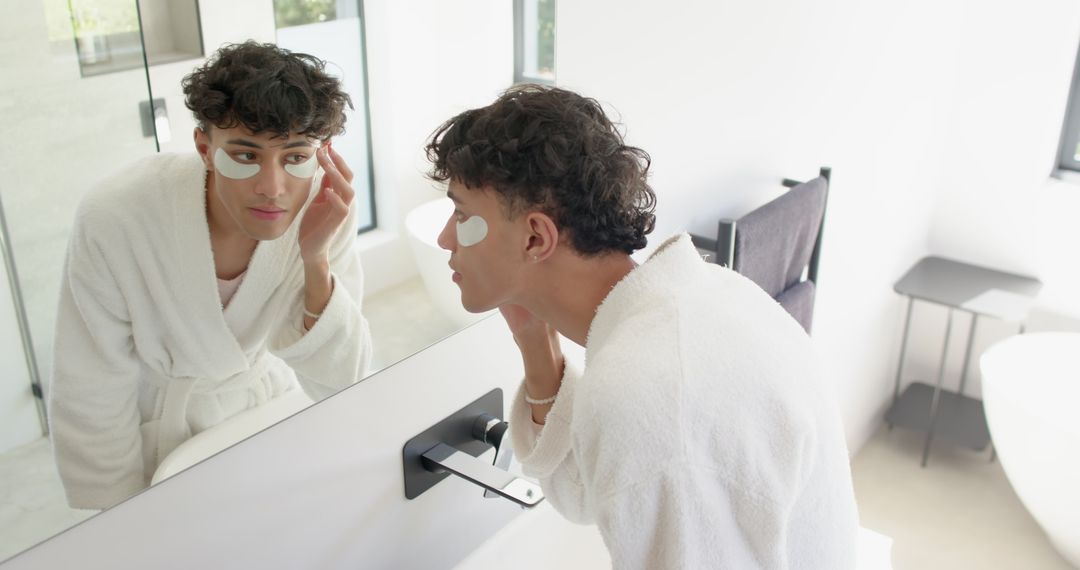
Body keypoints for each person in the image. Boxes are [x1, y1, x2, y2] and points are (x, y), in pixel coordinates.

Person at [426, 85, 859, 568]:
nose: (446, 237)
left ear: (535, 236)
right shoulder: (706, 295)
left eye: (462, 214)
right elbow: (590, 490)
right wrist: (533, 337)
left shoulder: (650, 390)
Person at [48, 41, 372, 510]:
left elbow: (345, 378)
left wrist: (315, 257)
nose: (273, 187)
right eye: (245, 156)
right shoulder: (116, 215)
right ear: (205, 147)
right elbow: (91, 381)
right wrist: (117, 516)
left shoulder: (323, 207)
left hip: (267, 414)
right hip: (164, 435)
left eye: (295, 156)